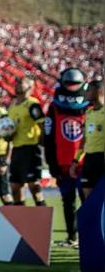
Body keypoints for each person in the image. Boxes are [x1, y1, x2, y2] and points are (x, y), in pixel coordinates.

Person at [44, 68, 90, 247]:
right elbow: (48, 136)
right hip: (62, 164)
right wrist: (51, 162)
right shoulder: (54, 108)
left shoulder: (90, 108)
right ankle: (72, 236)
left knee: (87, 201)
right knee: (68, 201)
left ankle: (88, 237)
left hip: (84, 162)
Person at [7, 76, 47, 207]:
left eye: (21, 82)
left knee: (34, 186)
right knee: (15, 187)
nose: (17, 84)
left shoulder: (32, 104)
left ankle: (43, 219)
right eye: (17, 82)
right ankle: (20, 221)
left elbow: (42, 125)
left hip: (31, 149)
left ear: (30, 87)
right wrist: (8, 136)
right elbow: (10, 129)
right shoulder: (12, 107)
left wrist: (40, 141)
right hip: (17, 149)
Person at [72, 78, 105, 202]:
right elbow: (84, 140)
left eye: (88, 91)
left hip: (101, 158)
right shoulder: (89, 113)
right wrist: (75, 161)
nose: (85, 94)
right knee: (88, 198)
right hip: (89, 160)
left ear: (98, 91)